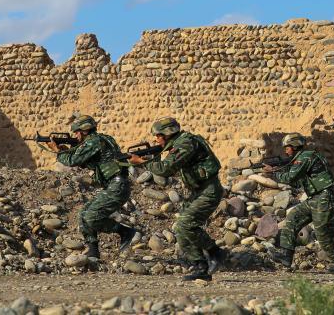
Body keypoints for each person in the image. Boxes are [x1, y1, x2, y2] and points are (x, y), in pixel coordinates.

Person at [128, 117, 226, 281]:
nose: (156, 139)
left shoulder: (185, 143)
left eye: (158, 135)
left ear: (167, 133)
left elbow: (166, 169)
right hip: (197, 191)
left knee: (185, 224)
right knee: (182, 228)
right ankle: (205, 261)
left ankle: (209, 259)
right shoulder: (179, 143)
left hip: (209, 190)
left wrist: (141, 162)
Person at [49, 115, 137, 259]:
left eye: (77, 132)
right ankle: (93, 250)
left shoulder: (93, 141)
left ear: (85, 130)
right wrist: (67, 150)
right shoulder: (103, 139)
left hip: (117, 185)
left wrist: (58, 152)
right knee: (83, 215)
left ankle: (124, 231)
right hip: (114, 185)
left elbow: (73, 161)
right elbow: (87, 160)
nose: (76, 135)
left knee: (91, 217)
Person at [267, 133, 334, 274]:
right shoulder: (302, 158)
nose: (286, 150)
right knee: (293, 218)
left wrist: (273, 172)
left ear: (294, 146)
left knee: (323, 235)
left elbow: (291, 178)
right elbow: (298, 182)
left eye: (287, 147)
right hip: (315, 198)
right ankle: (286, 256)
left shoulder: (305, 157)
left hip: (324, 198)